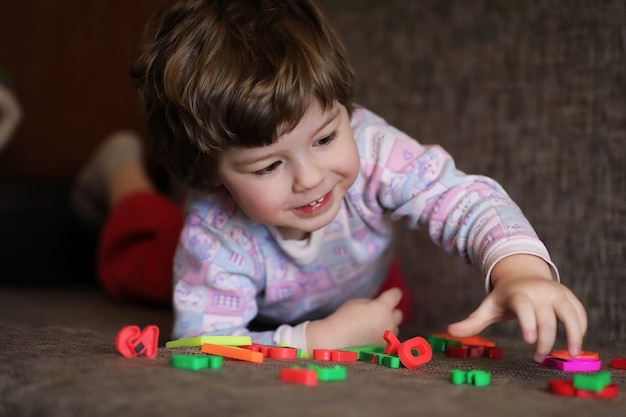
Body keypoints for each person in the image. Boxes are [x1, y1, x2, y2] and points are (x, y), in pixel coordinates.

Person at [72, 0, 586, 361]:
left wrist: (520, 271)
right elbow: (201, 343)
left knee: (394, 315)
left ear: (346, 110)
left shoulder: (372, 146)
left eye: (324, 138)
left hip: (359, 281)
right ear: (212, 175)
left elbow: (462, 199)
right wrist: (317, 340)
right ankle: (122, 173)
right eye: (269, 165)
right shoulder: (214, 233)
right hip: (234, 280)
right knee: (139, 260)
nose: (311, 177)